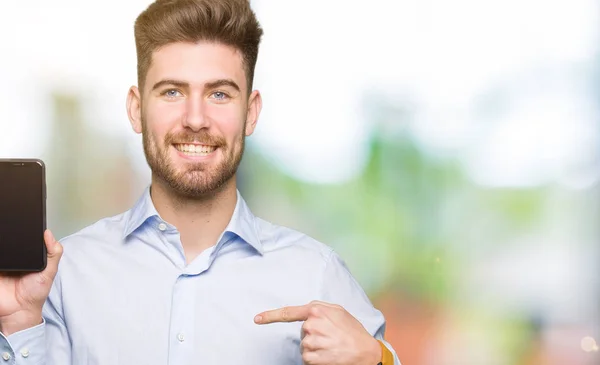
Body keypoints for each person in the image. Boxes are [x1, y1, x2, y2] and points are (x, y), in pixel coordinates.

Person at [0, 0, 401, 364]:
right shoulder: (63, 278)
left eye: (220, 95)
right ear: (137, 110)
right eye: (172, 92)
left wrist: (375, 362)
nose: (195, 119)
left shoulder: (317, 275)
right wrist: (20, 325)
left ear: (251, 112)